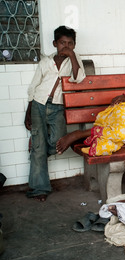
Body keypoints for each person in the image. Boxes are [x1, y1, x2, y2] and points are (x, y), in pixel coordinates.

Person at [24, 26, 86, 202]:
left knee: (57, 142)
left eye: (70, 44)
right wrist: (28, 111)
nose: (65, 46)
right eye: (62, 43)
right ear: (54, 43)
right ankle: (39, 188)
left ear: (74, 45)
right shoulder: (46, 61)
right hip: (38, 104)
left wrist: (72, 56)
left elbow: (78, 78)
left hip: (58, 106)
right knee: (38, 148)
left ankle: (38, 146)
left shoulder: (74, 59)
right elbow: (34, 86)